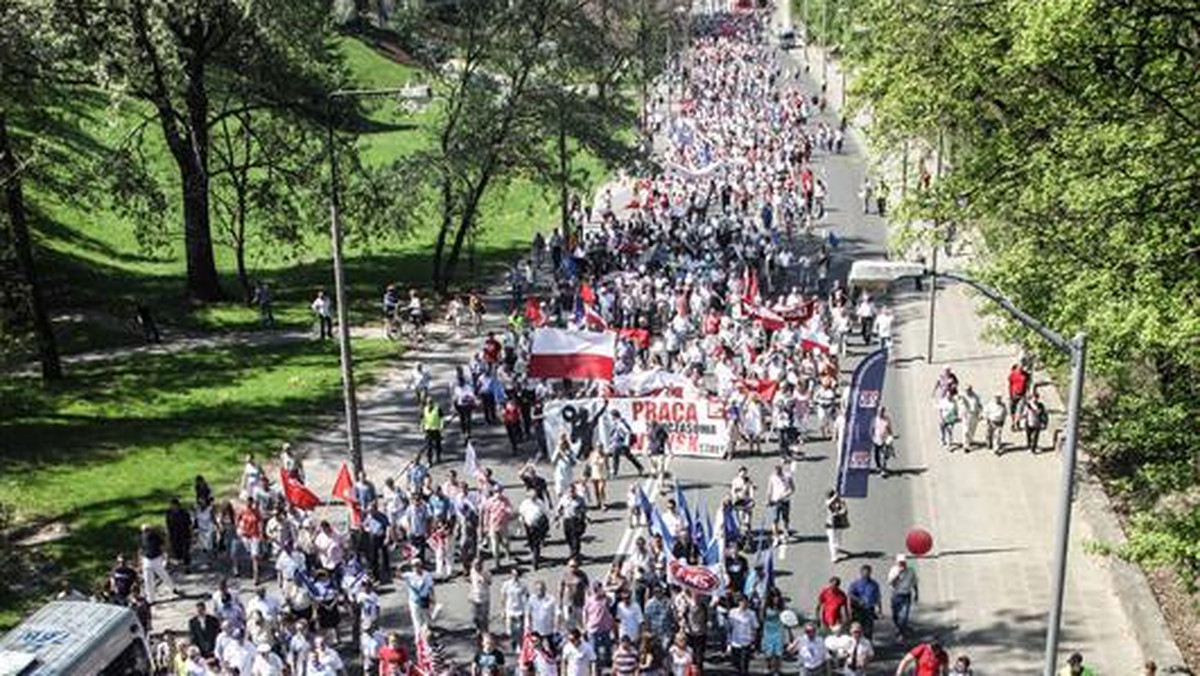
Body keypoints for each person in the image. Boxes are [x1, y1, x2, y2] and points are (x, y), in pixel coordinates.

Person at [139, 524, 178, 604]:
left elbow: (163, 546)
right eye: (144, 531)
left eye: (146, 530)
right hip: (147, 560)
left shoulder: (155, 537)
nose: (145, 532)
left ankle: (172, 587)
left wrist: (165, 555)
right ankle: (151, 599)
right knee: (148, 580)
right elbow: (140, 549)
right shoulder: (142, 538)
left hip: (156, 559)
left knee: (163, 575)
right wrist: (140, 560)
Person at [887, 554, 919, 638]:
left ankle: (901, 633)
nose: (902, 564)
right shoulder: (893, 570)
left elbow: (914, 582)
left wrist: (916, 593)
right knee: (895, 616)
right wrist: (898, 574)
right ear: (897, 563)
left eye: (903, 562)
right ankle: (901, 628)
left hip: (906, 595)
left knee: (904, 616)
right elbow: (891, 583)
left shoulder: (911, 571)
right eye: (900, 563)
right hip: (896, 595)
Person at [726, 595, 758, 676]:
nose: (743, 604)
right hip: (735, 641)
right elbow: (729, 627)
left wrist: (753, 641)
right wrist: (728, 642)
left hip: (746, 642)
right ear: (738, 602)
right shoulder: (732, 612)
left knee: (744, 665)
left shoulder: (751, 613)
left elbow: (755, 627)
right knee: (736, 663)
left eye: (745, 602)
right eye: (741, 602)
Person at [847, 565, 882, 639]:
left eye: (868, 572)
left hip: (869, 609)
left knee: (869, 629)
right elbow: (850, 594)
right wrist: (858, 600)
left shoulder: (874, 584)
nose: (866, 574)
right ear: (861, 573)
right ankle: (855, 645)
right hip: (858, 609)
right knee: (857, 628)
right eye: (864, 573)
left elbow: (878, 597)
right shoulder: (855, 584)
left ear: (870, 573)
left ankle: (868, 645)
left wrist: (879, 609)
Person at [608, 410, 645, 477]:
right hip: (617, 442)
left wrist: (626, 443)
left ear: (614, 416)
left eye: (612, 416)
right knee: (627, 456)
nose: (611, 418)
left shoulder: (621, 423)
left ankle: (614, 472)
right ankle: (640, 467)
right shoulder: (617, 423)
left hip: (620, 443)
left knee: (616, 456)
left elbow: (627, 432)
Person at [766, 462, 795, 542]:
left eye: (778, 471)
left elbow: (792, 489)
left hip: (785, 501)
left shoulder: (787, 476)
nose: (777, 473)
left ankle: (785, 533)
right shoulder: (772, 477)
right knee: (774, 520)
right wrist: (768, 500)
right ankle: (776, 537)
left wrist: (784, 495)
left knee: (785, 518)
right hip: (775, 501)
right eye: (776, 472)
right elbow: (769, 489)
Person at [165, 497, 193, 569]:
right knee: (177, 550)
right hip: (174, 535)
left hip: (184, 534)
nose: (173, 507)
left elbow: (189, 524)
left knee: (185, 551)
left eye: (174, 505)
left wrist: (191, 534)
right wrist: (168, 534)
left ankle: (187, 566)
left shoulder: (184, 513)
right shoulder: (169, 513)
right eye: (172, 505)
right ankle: (181, 562)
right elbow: (168, 524)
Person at [825, 489, 849, 562]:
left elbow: (845, 511)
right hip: (830, 525)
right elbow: (829, 503)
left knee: (838, 539)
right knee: (832, 540)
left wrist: (843, 506)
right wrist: (836, 496)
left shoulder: (840, 503)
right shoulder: (827, 502)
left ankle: (837, 549)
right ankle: (833, 556)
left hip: (839, 524)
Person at [872, 407, 896, 476]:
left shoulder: (887, 419)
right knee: (876, 454)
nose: (880, 413)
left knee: (884, 455)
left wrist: (891, 436)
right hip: (876, 439)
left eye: (881, 412)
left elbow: (889, 429)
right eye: (879, 412)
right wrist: (872, 437)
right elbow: (872, 429)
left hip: (884, 440)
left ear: (883, 412)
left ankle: (883, 469)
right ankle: (878, 466)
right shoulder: (875, 419)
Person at [1007, 362, 1030, 431]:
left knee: (1020, 410)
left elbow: (1028, 385)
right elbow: (1010, 384)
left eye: (1022, 367)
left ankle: (1016, 423)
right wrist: (1010, 394)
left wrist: (1027, 393)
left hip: (1022, 395)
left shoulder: (1026, 375)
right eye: (1020, 367)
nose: (1021, 368)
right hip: (1013, 395)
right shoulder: (1012, 374)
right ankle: (1014, 422)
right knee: (1012, 411)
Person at [422, 399, 444, 465]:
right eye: (428, 403)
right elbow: (423, 418)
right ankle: (429, 460)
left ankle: (438, 457)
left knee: (438, 445)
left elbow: (441, 418)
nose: (429, 404)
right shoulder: (425, 409)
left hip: (436, 429)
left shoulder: (437, 408)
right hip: (428, 430)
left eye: (430, 403)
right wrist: (422, 426)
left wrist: (441, 426)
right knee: (429, 446)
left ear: (432, 403)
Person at [960, 385, 982, 450]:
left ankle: (969, 440)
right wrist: (960, 414)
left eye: (969, 390)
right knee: (965, 430)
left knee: (972, 430)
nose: (967, 391)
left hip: (974, 415)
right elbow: (960, 405)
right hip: (966, 415)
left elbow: (979, 405)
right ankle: (965, 445)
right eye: (966, 390)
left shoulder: (976, 396)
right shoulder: (963, 397)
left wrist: (980, 413)